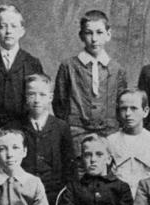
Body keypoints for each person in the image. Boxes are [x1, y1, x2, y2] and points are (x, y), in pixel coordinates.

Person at [53, 9, 128, 154]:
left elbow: (121, 105)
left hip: (109, 134)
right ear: (81, 35)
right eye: (89, 33)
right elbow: (59, 104)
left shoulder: (117, 69)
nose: (94, 39)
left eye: (99, 32)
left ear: (108, 34)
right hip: (76, 133)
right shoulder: (68, 66)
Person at [5, 73, 75, 205]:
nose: (37, 100)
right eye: (31, 94)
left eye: (42, 95)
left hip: (54, 195)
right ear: (25, 97)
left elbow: (70, 167)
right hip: (21, 193)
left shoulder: (61, 127)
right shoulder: (14, 127)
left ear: (50, 97)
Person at [106, 88, 150, 198]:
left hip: (147, 200)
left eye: (134, 108)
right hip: (118, 200)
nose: (128, 113)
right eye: (123, 109)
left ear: (145, 111)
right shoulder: (110, 142)